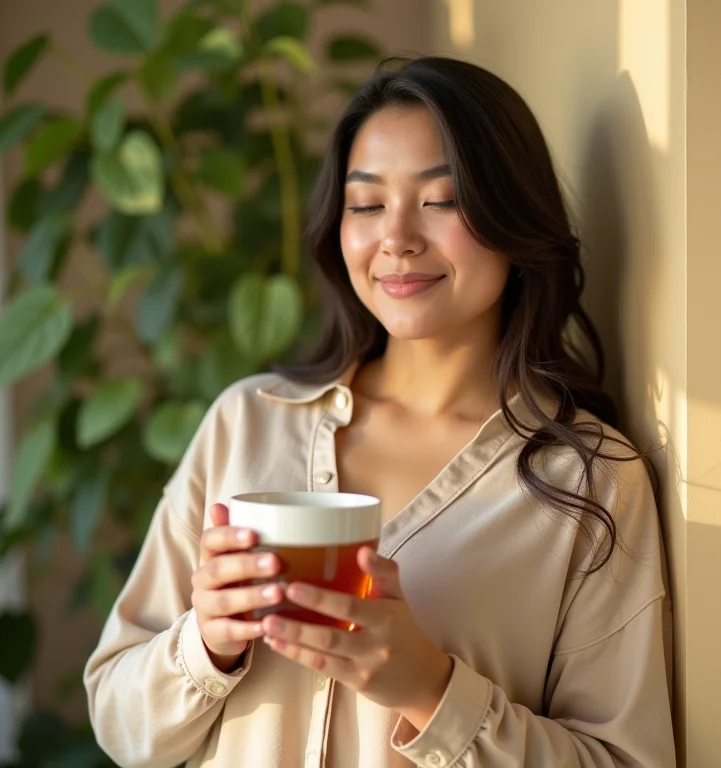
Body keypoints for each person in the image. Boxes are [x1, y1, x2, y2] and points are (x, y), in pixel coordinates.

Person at [84, 56, 675, 767]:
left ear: (512, 218)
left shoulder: (593, 480)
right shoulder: (245, 423)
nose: (396, 237)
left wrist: (431, 691)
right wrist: (204, 643)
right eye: (366, 205)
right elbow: (119, 722)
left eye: (442, 200)